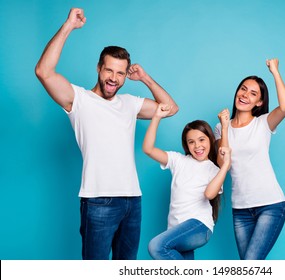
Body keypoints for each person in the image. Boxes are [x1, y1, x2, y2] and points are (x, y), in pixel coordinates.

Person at [35, 8, 179, 260]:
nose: (114, 78)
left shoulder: (129, 102)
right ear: (99, 68)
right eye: (109, 70)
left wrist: (145, 78)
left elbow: (170, 108)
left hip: (132, 201)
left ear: (125, 76)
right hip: (98, 201)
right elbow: (43, 72)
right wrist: (69, 25)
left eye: (120, 73)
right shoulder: (78, 99)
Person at [215, 58, 285, 260]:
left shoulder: (263, 123)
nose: (245, 95)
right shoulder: (220, 128)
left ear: (259, 102)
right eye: (243, 89)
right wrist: (224, 128)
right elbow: (223, 164)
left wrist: (274, 71)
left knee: (250, 266)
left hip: (270, 205)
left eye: (253, 93)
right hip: (240, 210)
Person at [142, 103, 231, 260]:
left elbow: (210, 194)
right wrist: (156, 117)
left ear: (210, 140)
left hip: (199, 227)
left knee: (156, 246)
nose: (197, 146)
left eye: (202, 140)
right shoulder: (178, 160)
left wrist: (225, 167)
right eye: (191, 142)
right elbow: (148, 149)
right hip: (176, 230)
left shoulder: (213, 169)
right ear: (186, 145)